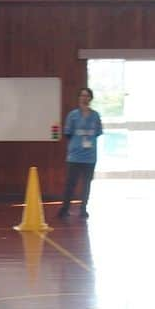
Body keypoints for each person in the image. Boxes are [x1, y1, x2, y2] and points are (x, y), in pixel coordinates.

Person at [58, 87, 103, 219]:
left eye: (87, 96)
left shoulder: (95, 116)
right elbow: (68, 133)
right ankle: (64, 209)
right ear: (79, 98)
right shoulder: (73, 115)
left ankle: (83, 209)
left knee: (86, 184)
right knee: (70, 184)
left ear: (91, 99)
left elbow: (98, 132)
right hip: (74, 156)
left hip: (89, 157)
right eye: (82, 95)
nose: (85, 98)